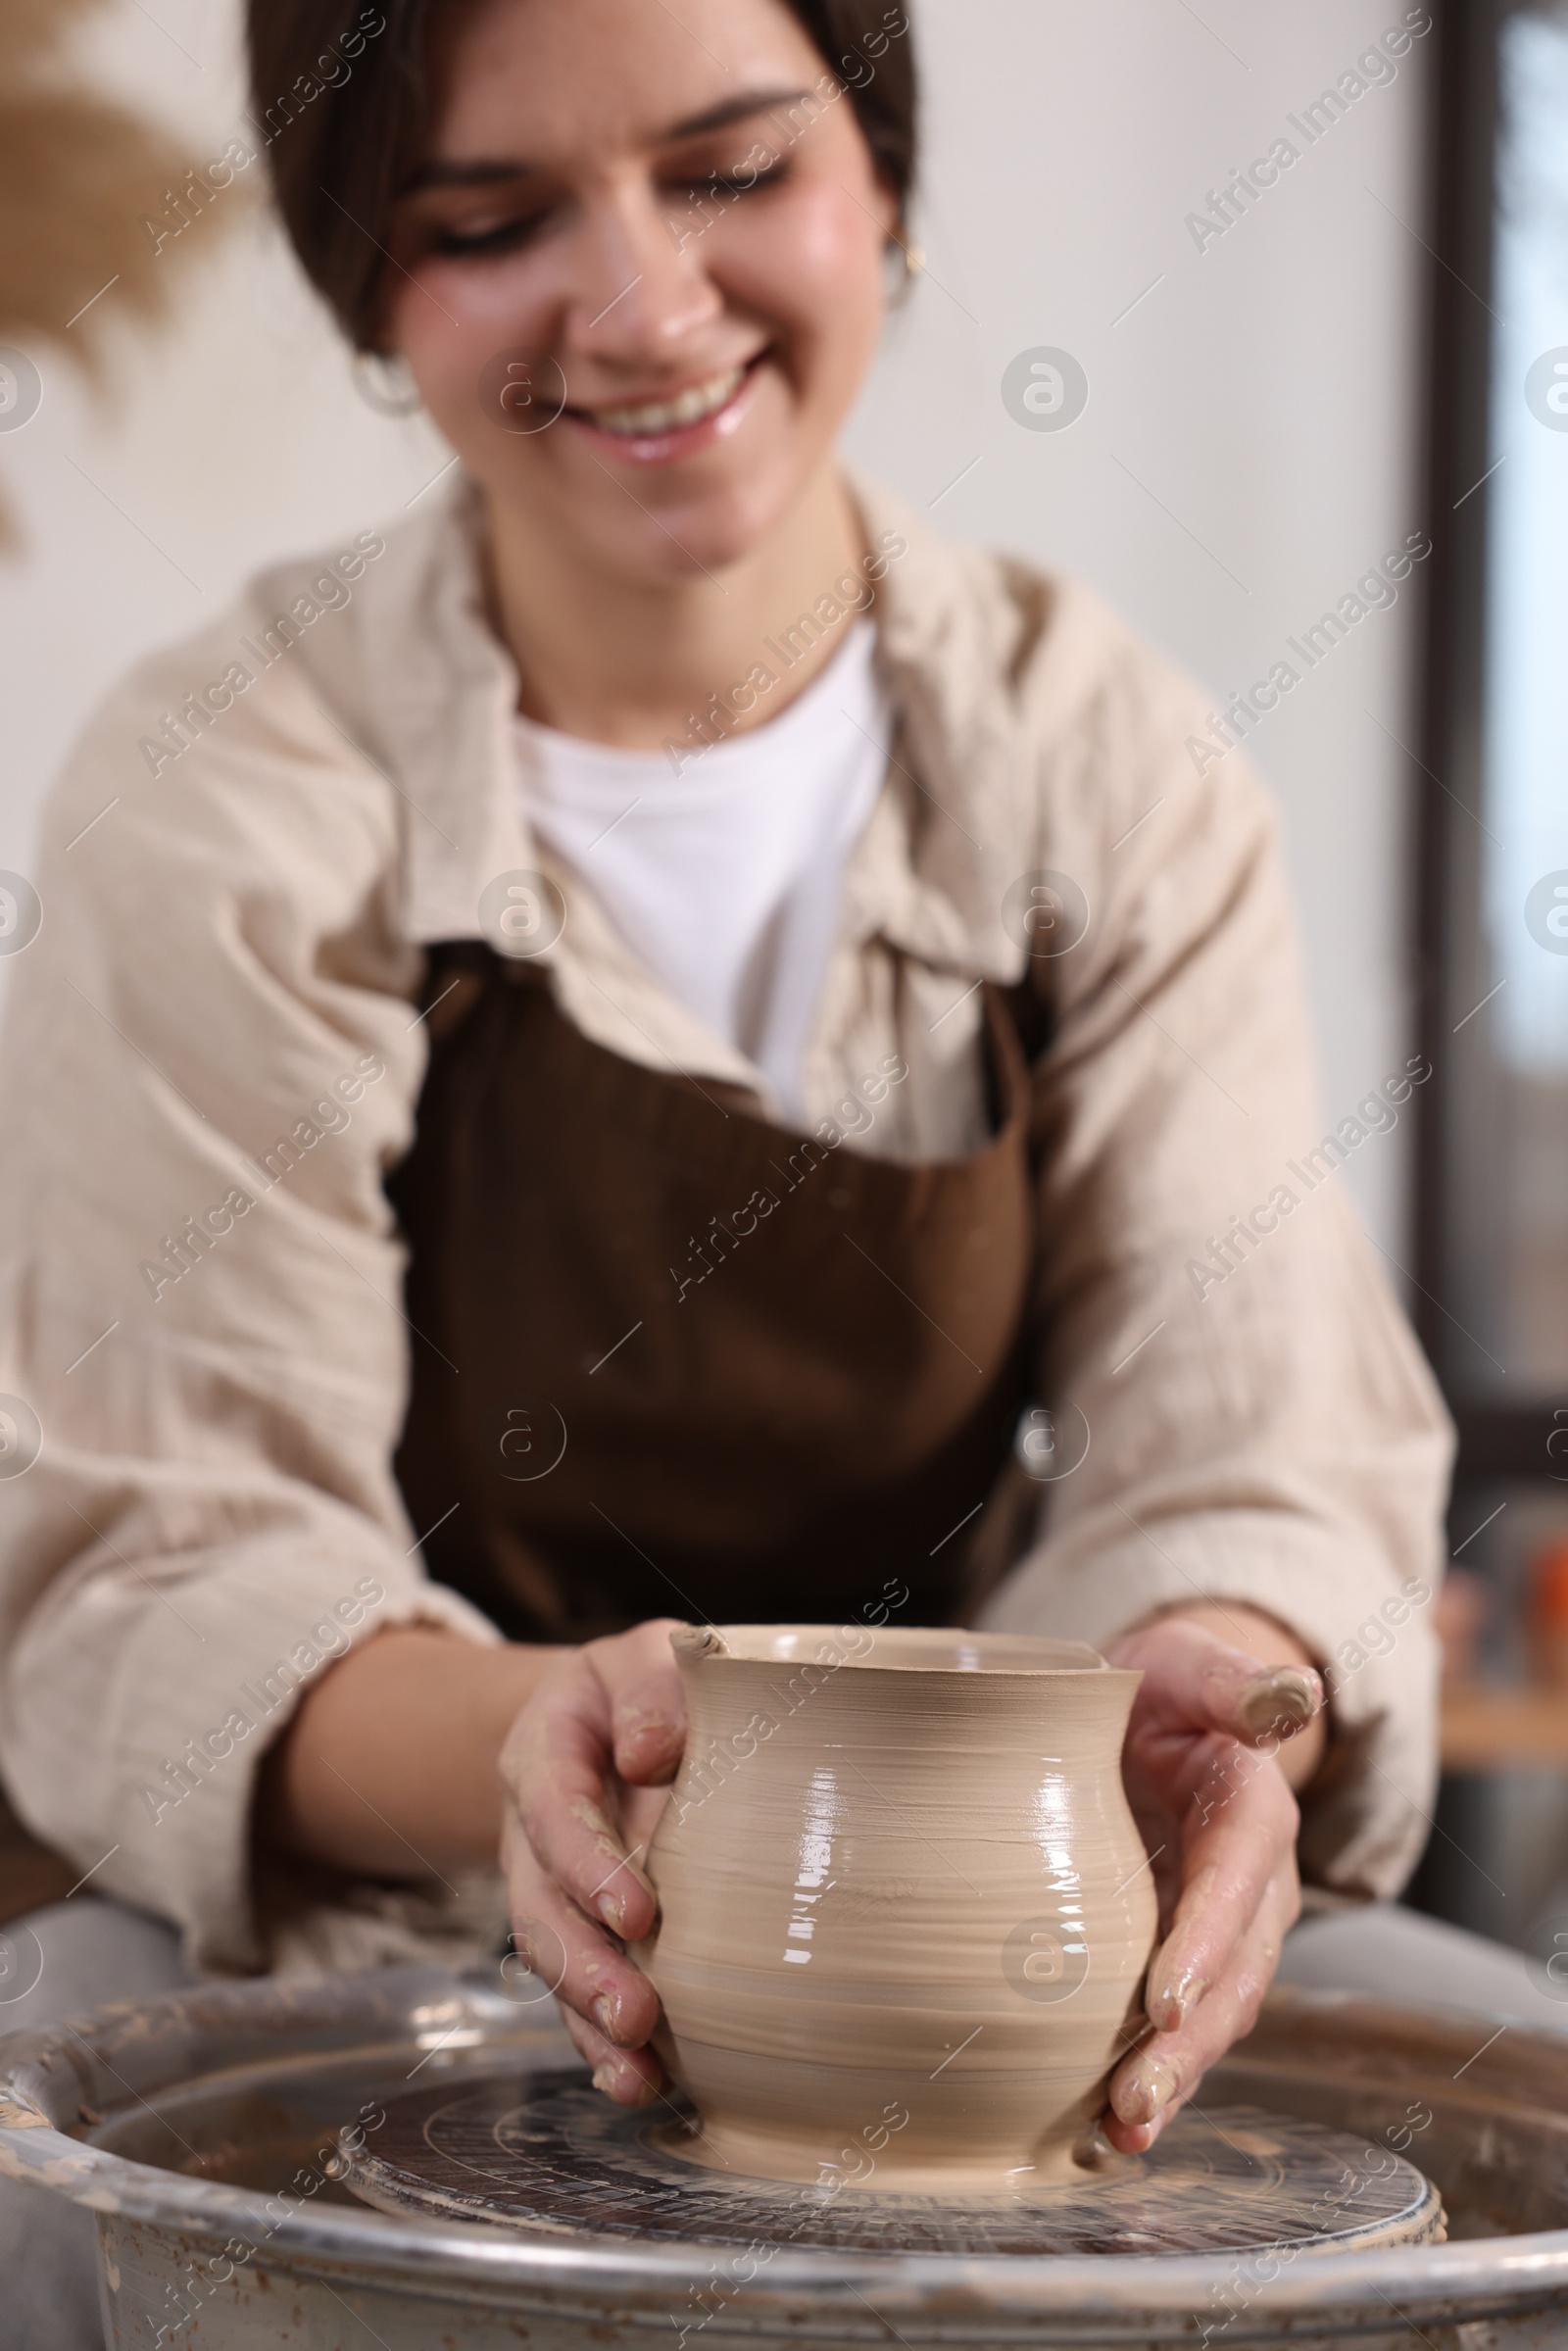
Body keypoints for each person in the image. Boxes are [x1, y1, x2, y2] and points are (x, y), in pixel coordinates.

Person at [0, 0, 1474, 2339]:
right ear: (371, 293)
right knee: (34, 2156)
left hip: (1011, 1919)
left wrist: (1207, 1685)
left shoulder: (1101, 763)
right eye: (492, 223)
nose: (646, 306)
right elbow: (171, 1565)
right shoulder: (223, 792)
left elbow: (1258, 1439)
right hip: (409, 1909)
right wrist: (538, 1750)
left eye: (730, 169)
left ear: (877, 178)